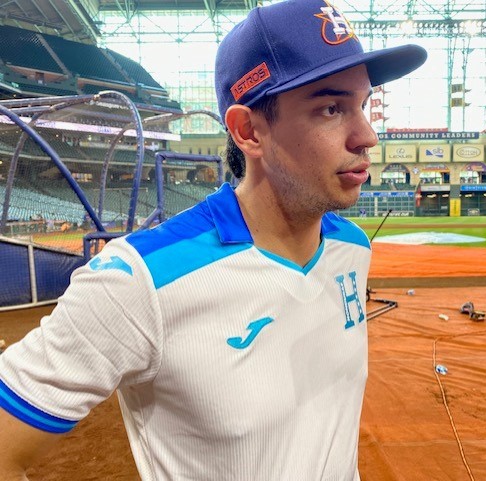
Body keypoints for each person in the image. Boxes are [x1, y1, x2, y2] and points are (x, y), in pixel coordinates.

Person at [0, 1, 427, 479]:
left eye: (363, 105)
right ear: (249, 131)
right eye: (331, 108)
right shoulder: (140, 280)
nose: (367, 135)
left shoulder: (352, 248)